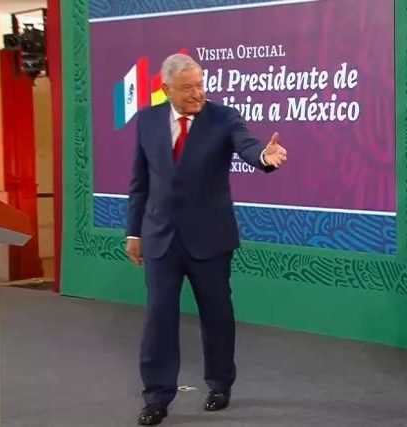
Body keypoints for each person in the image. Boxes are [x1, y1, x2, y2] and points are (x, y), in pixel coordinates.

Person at [125, 53, 287, 425]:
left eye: (200, 84)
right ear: (166, 89)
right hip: (160, 239)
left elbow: (248, 146)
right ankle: (156, 397)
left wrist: (264, 156)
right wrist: (134, 232)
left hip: (210, 239)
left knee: (216, 316)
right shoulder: (147, 120)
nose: (197, 93)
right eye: (187, 88)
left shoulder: (223, 117)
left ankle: (219, 384)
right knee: (158, 319)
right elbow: (139, 182)